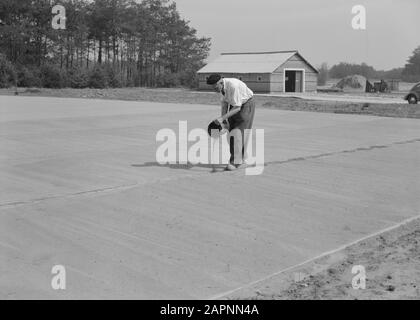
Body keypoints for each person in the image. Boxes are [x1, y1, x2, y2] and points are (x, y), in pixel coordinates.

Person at [206, 74, 256, 171]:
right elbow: (225, 104)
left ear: (221, 82)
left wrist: (221, 118)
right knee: (231, 133)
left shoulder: (233, 85)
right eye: (212, 88)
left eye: (215, 87)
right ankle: (241, 159)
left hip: (246, 105)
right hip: (234, 106)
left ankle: (236, 162)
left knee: (238, 132)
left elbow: (237, 108)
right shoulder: (222, 88)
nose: (214, 89)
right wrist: (224, 121)